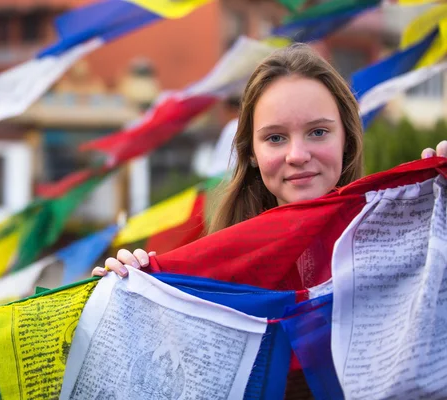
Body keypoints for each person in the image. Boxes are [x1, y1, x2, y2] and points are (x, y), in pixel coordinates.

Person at [92, 43, 447, 278]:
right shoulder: (214, 267)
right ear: (251, 153)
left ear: (347, 140)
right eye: (275, 138)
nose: (297, 155)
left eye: (318, 132)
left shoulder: (402, 236)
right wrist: (125, 288)